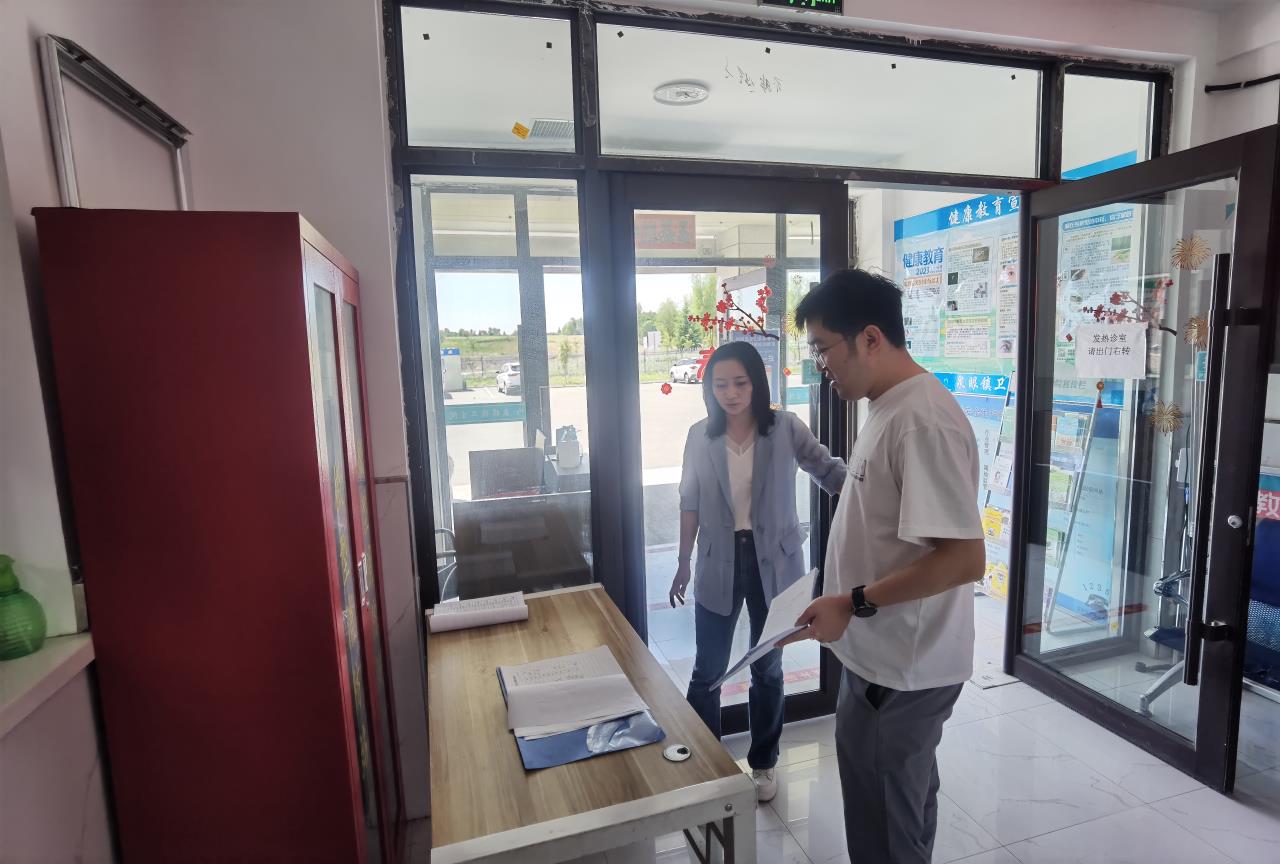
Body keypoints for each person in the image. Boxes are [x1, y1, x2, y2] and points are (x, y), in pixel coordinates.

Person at [780, 269, 985, 863]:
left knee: (886, 827)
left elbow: (964, 558)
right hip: (879, 659)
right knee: (897, 811)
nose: (820, 364)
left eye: (823, 348)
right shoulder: (889, 407)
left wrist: (853, 602)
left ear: (870, 338)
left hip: (901, 671)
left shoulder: (923, 421)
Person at [671, 340, 845, 803]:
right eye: (720, 385)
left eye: (740, 383)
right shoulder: (698, 436)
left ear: (757, 384)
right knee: (708, 671)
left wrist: (873, 491)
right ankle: (706, 764)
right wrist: (683, 561)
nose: (730, 393)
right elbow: (689, 501)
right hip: (718, 560)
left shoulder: (785, 428)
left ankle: (764, 762)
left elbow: (828, 471)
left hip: (776, 562)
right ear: (709, 388)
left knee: (768, 668)